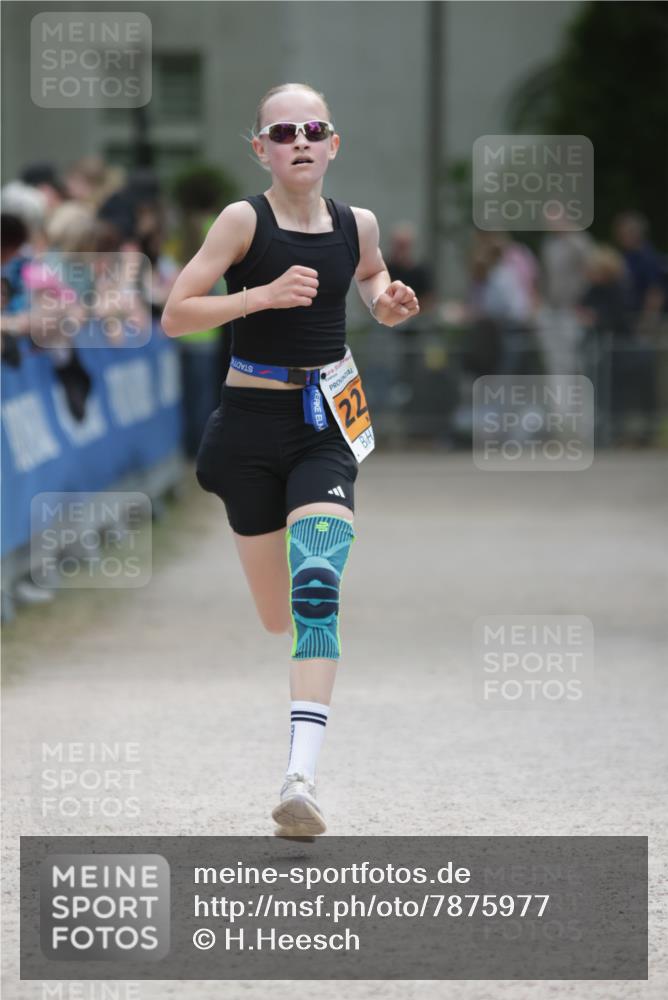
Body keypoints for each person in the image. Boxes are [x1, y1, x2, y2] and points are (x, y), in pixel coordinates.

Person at [161, 82, 419, 837]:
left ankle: (299, 779)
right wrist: (259, 297)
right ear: (262, 149)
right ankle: (298, 755)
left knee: (316, 585)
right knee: (276, 615)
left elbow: (368, 275)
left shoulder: (357, 224)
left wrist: (385, 299)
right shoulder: (243, 221)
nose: (300, 141)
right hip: (248, 426)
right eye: (283, 132)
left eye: (314, 129)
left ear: (333, 143)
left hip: (325, 427)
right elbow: (177, 313)